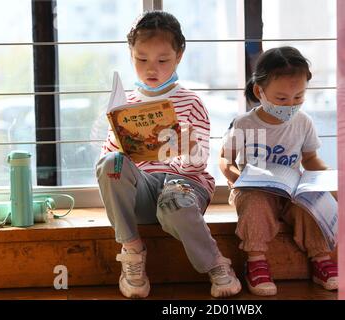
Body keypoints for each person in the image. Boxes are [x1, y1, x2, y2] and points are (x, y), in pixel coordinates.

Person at [96, 11, 241, 299]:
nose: (152, 68)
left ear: (179, 56)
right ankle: (132, 250)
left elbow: (198, 166)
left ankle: (215, 263)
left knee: (174, 199)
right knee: (111, 164)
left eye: (162, 60)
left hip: (183, 185)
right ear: (130, 55)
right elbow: (109, 170)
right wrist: (118, 141)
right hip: (143, 189)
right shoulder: (125, 105)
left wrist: (188, 149)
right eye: (141, 59)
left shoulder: (191, 102)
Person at [218, 46, 338, 296]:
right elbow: (224, 159)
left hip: (290, 192)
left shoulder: (303, 122)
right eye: (281, 99)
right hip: (253, 191)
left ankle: (321, 259)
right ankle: (256, 261)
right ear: (259, 91)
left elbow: (311, 159)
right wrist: (237, 179)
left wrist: (329, 179)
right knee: (256, 203)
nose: (290, 105)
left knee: (310, 204)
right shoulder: (244, 123)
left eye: (299, 97)